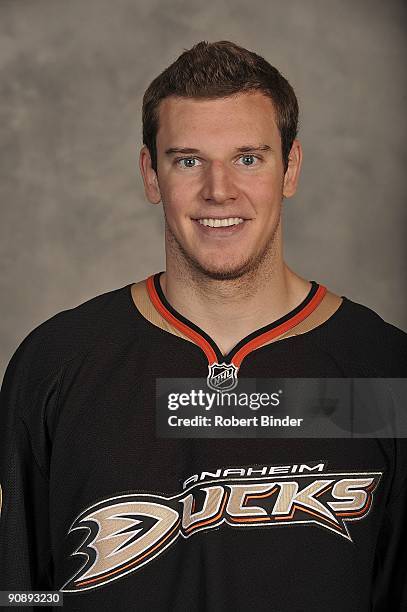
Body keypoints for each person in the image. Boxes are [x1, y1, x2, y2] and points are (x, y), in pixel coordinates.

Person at [0, 40, 406, 611]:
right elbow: (18, 592)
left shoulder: (382, 373)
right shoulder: (57, 365)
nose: (219, 190)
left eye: (248, 158)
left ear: (289, 168)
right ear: (150, 173)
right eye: (188, 160)